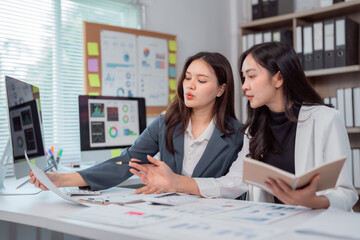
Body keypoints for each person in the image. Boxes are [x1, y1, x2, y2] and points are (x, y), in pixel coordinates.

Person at [129, 42, 358, 211]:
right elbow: (233, 183)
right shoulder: (254, 129)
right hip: (272, 226)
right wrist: (175, 181)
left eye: (251, 76)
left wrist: (312, 201)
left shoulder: (326, 119)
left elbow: (347, 193)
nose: (244, 87)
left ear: (279, 78)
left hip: (317, 224)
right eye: (242, 78)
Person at [29, 51, 244, 195]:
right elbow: (127, 162)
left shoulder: (238, 136)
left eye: (202, 80)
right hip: (171, 218)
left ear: (221, 89)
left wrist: (174, 184)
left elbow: (233, 187)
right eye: (187, 77)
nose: (190, 86)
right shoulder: (165, 124)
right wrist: (61, 180)